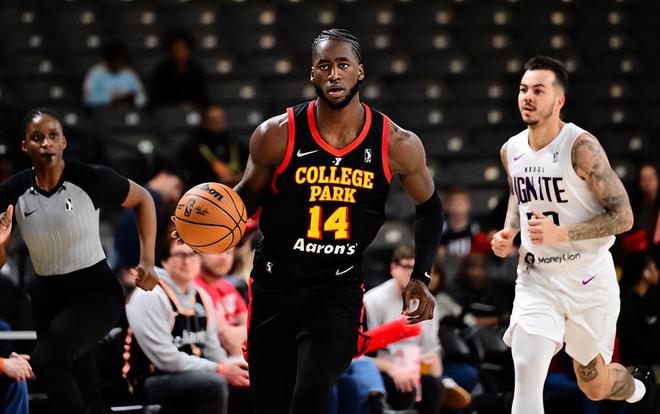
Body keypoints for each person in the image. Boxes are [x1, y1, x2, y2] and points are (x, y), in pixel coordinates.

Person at [232, 29, 444, 413]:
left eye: (343, 64)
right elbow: (246, 196)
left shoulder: (396, 142)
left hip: (337, 287)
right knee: (270, 402)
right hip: (277, 282)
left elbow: (430, 207)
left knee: (312, 390)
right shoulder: (276, 135)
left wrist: (421, 275)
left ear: (360, 72)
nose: (334, 74)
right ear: (312, 73)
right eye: (324, 66)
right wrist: (210, 223)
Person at [490, 55, 655, 413]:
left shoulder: (581, 147)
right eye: (523, 89)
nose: (527, 97)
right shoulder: (511, 149)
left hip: (587, 279)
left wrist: (561, 233)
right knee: (527, 368)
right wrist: (510, 231)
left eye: (538, 90)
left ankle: (639, 387)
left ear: (558, 100)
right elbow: (519, 194)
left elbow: (624, 217)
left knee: (594, 385)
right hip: (536, 279)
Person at [0, 108, 159, 414]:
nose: (46, 143)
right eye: (37, 137)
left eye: (53, 136)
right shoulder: (12, 192)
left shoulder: (90, 177)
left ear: (64, 142)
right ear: (24, 146)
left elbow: (143, 199)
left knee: (48, 361)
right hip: (47, 298)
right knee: (86, 388)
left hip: (95, 292)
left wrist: (148, 261)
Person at [124, 235, 250, 414]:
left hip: (192, 375)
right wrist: (220, 369)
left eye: (193, 254)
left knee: (249, 381)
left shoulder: (201, 296)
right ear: (164, 260)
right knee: (213, 384)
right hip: (147, 380)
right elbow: (166, 359)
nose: (187, 261)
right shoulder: (150, 294)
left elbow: (213, 349)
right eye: (180, 255)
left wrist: (234, 368)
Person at [364, 244, 446, 414]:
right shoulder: (373, 300)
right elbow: (363, 353)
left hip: (415, 362)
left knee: (435, 387)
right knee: (404, 389)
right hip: (383, 364)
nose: (412, 274)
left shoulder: (428, 301)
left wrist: (435, 365)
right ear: (393, 268)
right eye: (408, 267)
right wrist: (392, 368)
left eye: (417, 269)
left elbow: (431, 347)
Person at [177, 105, 247, 188]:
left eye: (221, 119)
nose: (218, 123)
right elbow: (185, 172)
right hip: (204, 188)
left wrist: (237, 177)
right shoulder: (192, 145)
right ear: (204, 122)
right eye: (213, 120)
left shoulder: (235, 143)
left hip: (234, 187)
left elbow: (249, 168)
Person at [195, 248, 248, 356]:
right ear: (199, 252)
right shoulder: (195, 288)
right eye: (217, 250)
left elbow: (251, 325)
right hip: (218, 359)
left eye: (229, 253)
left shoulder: (227, 286)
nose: (224, 257)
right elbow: (228, 339)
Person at [150, 30, 207, 108]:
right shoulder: (161, 70)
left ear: (189, 49)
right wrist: (177, 106)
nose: (179, 51)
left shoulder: (197, 70)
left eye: (183, 47)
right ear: (171, 50)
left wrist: (192, 105)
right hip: (167, 110)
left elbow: (203, 97)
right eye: (176, 48)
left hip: (193, 110)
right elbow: (156, 97)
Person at [83, 39, 147, 108]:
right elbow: (87, 98)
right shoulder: (95, 73)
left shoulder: (129, 73)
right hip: (102, 111)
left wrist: (133, 100)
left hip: (126, 110)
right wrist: (113, 99)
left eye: (120, 61)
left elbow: (142, 98)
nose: (118, 64)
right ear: (108, 60)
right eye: (115, 61)